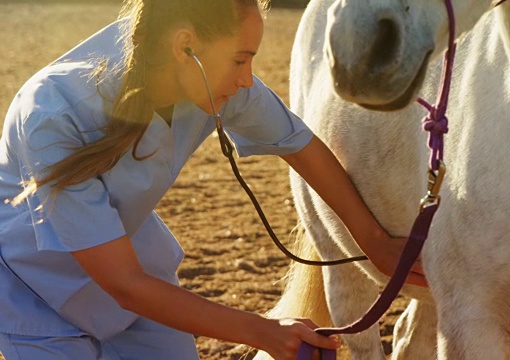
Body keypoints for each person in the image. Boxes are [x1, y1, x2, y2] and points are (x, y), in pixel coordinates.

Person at [0, 0, 427, 359]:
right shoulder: (54, 113)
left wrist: (373, 241)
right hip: (38, 291)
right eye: (241, 59)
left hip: (137, 272)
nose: (247, 79)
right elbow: (124, 284)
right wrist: (264, 332)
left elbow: (299, 144)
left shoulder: (207, 79)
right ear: (186, 46)